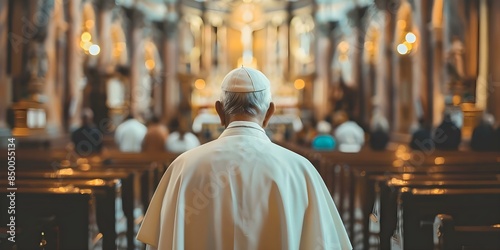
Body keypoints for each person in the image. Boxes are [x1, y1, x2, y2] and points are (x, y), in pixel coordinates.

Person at [137, 67, 351, 250]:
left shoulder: (183, 168)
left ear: (219, 111)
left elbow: (159, 243)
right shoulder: (300, 170)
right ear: (270, 112)